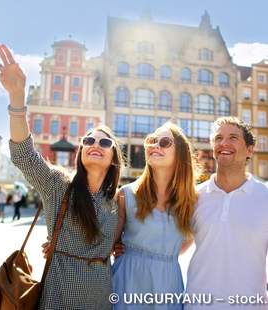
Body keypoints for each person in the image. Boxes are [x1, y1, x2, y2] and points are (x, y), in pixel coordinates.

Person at [0, 42, 123, 309]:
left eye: (104, 142)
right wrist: (17, 98)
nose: (95, 145)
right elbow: (24, 155)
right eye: (88, 140)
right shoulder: (58, 184)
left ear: (114, 158)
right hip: (60, 293)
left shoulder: (119, 200)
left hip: (101, 296)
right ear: (80, 151)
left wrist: (122, 247)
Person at [185, 117, 268, 309]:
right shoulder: (194, 196)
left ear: (250, 149)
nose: (224, 143)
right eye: (218, 138)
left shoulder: (265, 196)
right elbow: (175, 245)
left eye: (233, 137)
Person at [112, 123, 197, 309]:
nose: (155, 146)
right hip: (127, 282)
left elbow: (185, 244)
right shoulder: (125, 194)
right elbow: (108, 242)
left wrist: (162, 254)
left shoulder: (192, 201)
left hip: (168, 284)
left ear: (180, 154)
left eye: (165, 142)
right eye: (151, 141)